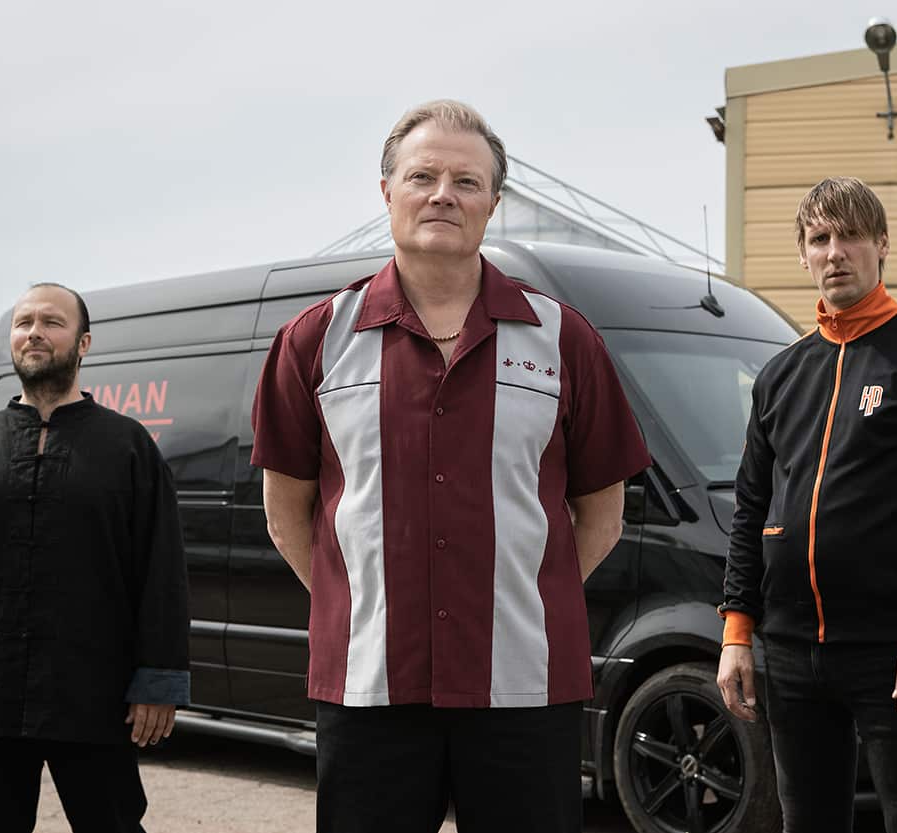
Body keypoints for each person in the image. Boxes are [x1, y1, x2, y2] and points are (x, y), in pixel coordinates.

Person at [251, 100, 651, 833]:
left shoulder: (565, 338)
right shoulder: (315, 339)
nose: (443, 194)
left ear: (493, 203)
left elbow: (602, 513)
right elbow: (287, 514)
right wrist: (365, 599)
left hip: (526, 691)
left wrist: (519, 595)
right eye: (423, 175)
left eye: (467, 181)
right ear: (387, 193)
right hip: (368, 690)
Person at [716, 176, 897, 833]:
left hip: (895, 649)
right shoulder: (780, 375)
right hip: (789, 653)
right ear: (804, 255)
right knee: (807, 820)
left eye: (849, 236)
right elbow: (752, 504)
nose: (835, 251)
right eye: (820, 238)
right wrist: (737, 631)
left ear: (882, 245)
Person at [0, 282, 190, 833]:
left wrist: (158, 678)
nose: (35, 332)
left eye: (52, 322)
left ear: (83, 343)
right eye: (23, 322)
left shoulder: (128, 447)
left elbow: (162, 572)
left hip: (96, 693)